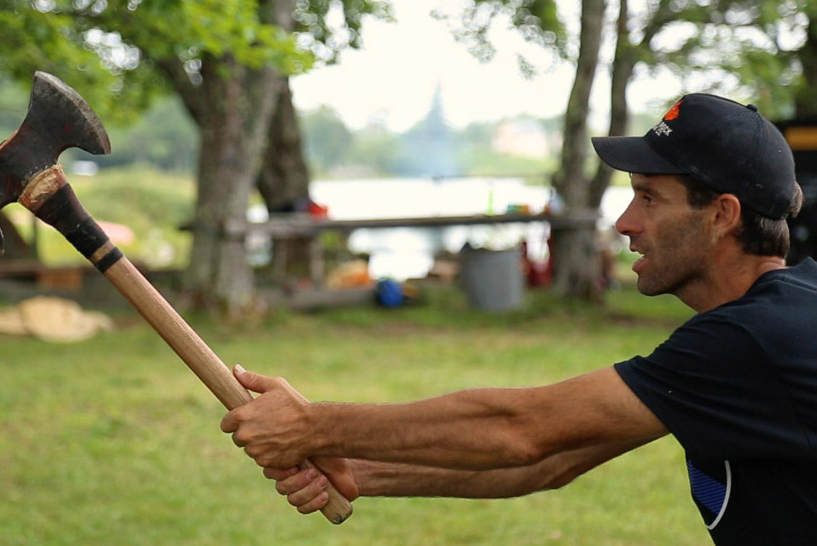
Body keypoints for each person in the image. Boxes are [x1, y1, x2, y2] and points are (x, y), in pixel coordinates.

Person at [220, 94, 817, 545]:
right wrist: (361, 471)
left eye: (650, 198)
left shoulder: (752, 341)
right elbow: (551, 460)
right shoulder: (765, 328)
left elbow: (521, 428)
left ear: (722, 215)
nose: (624, 223)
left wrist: (315, 427)